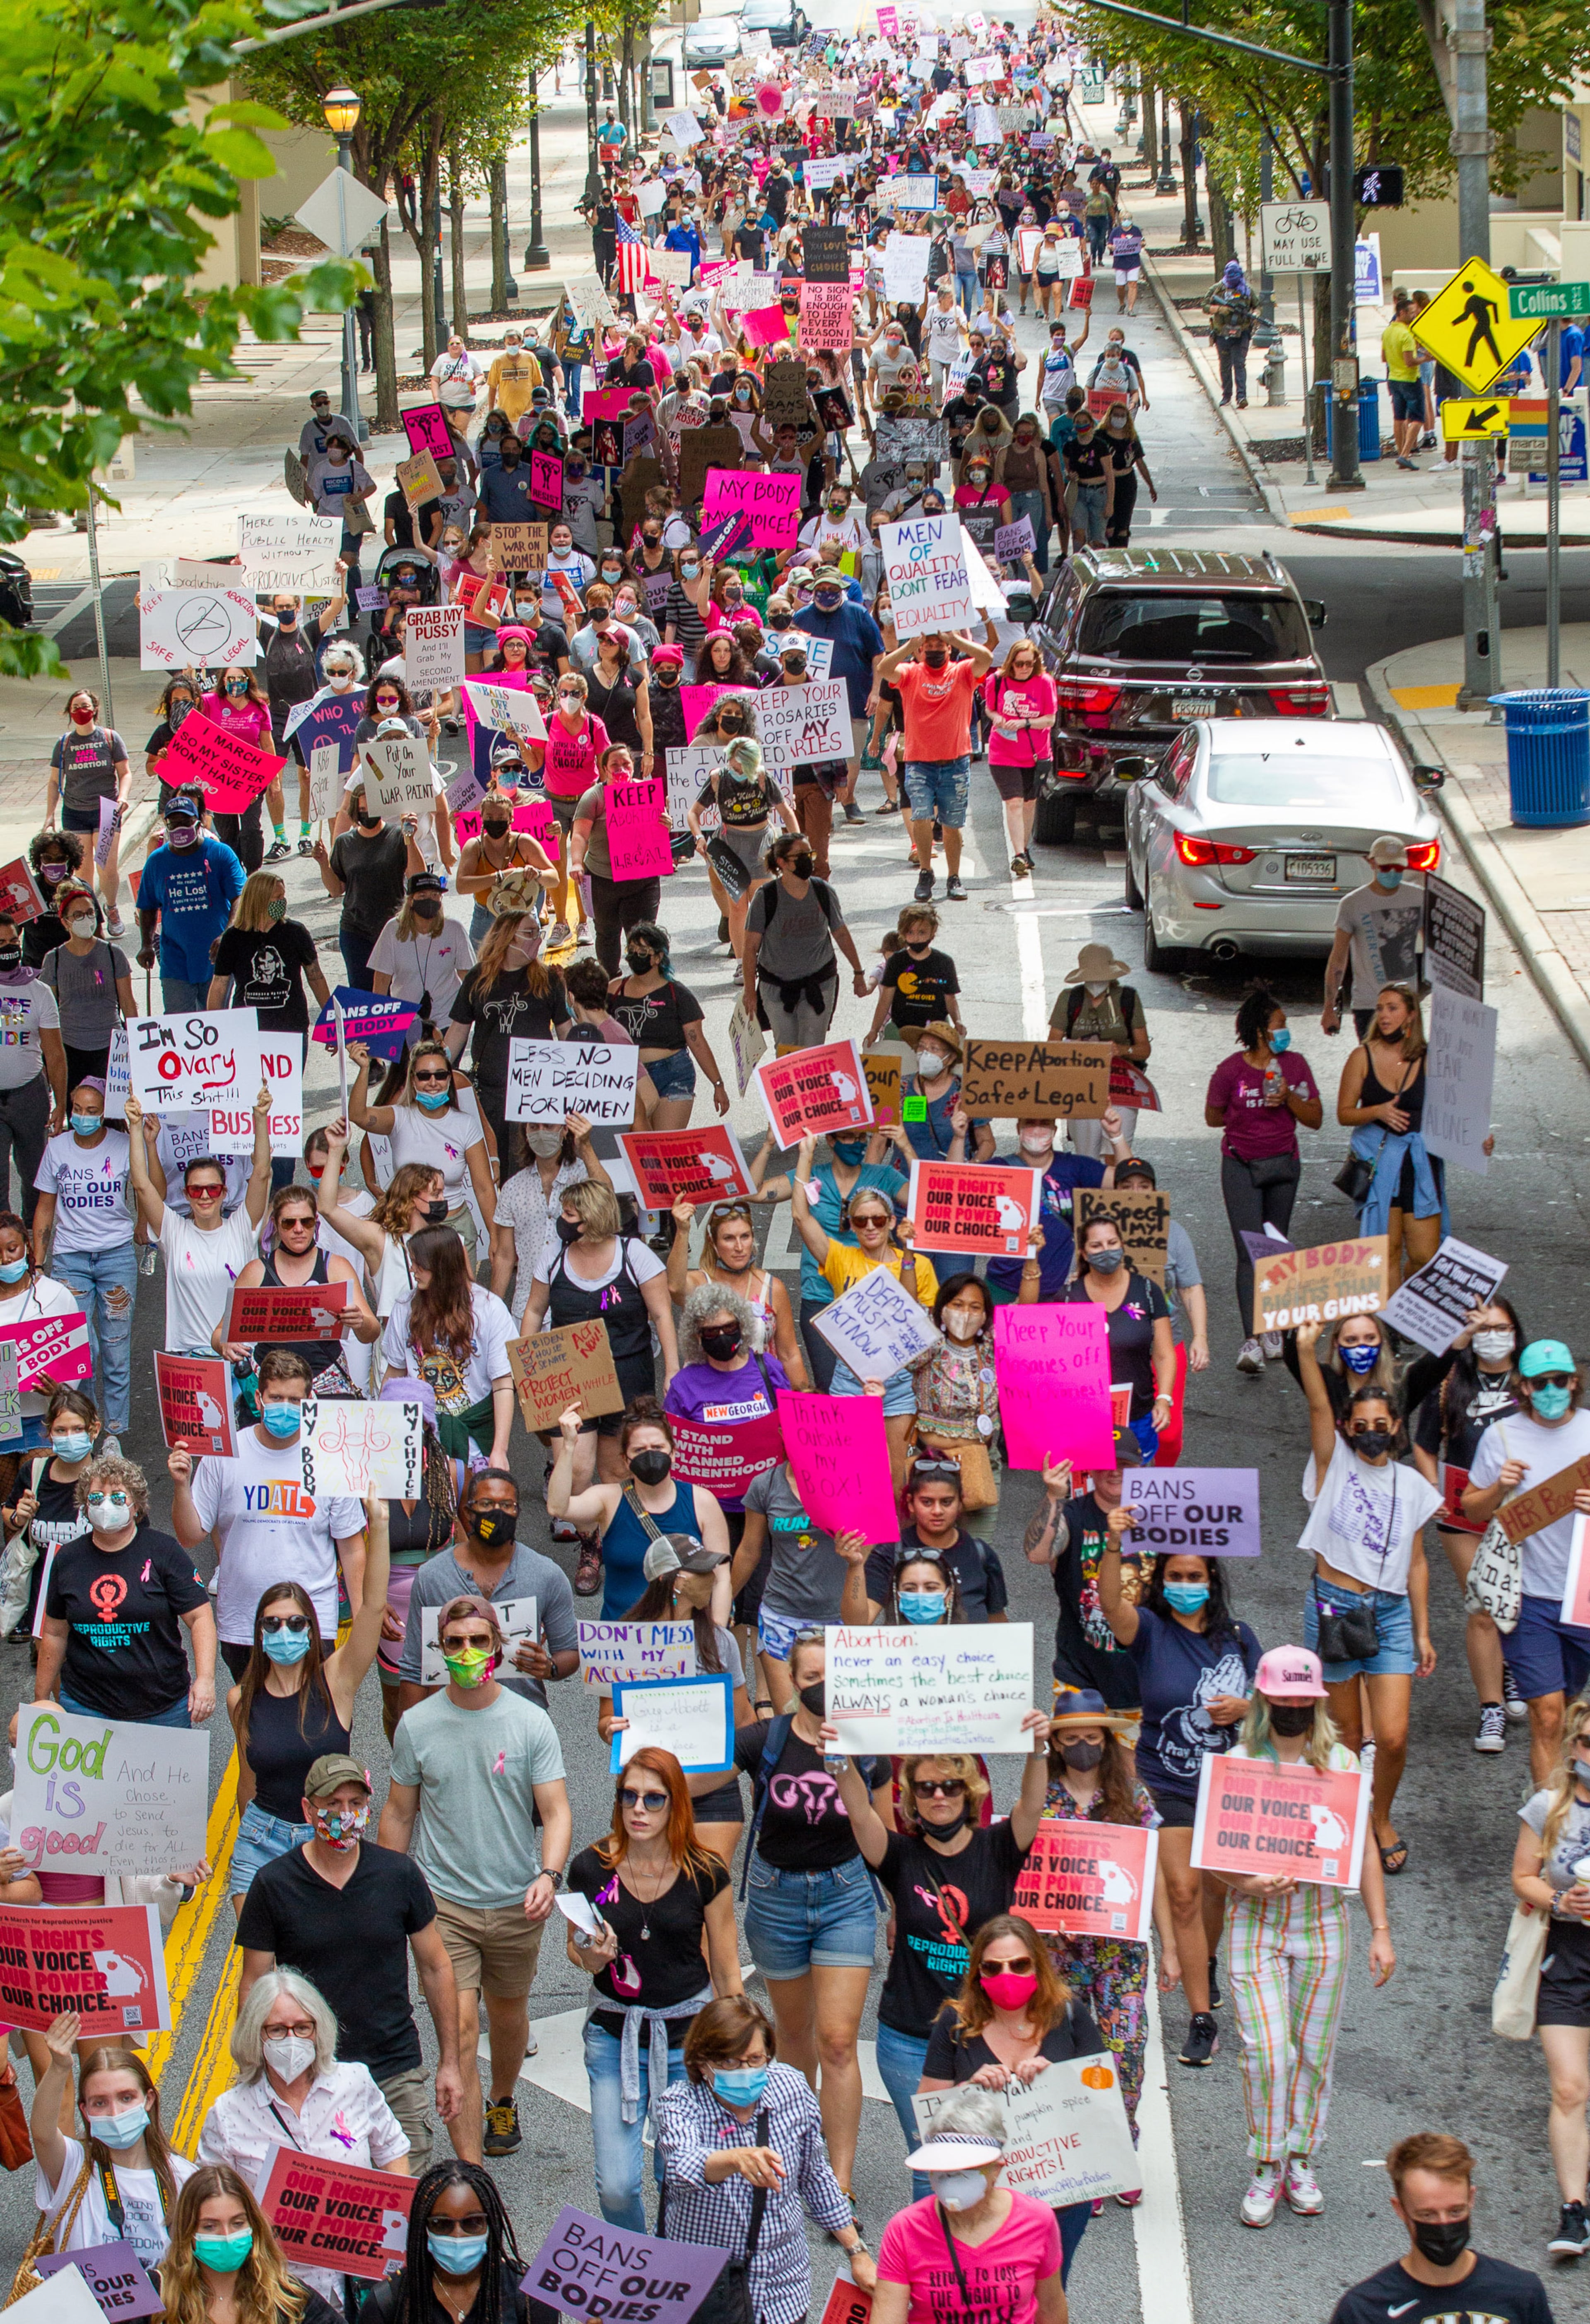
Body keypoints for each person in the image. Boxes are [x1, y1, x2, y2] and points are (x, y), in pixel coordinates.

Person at [381, 1593, 571, 2165]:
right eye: (455, 1643)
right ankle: (472, 2171)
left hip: (517, 1902)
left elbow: (557, 1810)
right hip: (445, 1907)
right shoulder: (416, 1725)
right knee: (460, 2031)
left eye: (478, 1641)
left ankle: (503, 2097)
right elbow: (398, 1812)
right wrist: (389, 1895)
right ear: (441, 1649)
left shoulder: (530, 1721)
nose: (467, 1652)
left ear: (497, 1646)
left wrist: (548, 1873)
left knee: (509, 2014)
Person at [829, 1713, 1053, 2177]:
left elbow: (1032, 1805)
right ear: (911, 1798)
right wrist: (840, 1762)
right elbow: (858, 1813)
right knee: (934, 2169)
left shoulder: (999, 1847)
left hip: (988, 2034)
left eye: (951, 1786)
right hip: (910, 2039)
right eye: (927, 1788)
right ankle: (936, 2252)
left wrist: (1037, 1751)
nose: (938, 1796)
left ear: (969, 1791)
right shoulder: (899, 1857)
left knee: (992, 2164)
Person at [1215, 1646, 1395, 2227]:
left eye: (1302, 1698)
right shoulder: (1240, 1761)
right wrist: (1247, 1879)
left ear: (1316, 1702)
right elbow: (1211, 1856)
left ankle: (1301, 2157)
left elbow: (1363, 1845)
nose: (1293, 1706)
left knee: (1315, 2053)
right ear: (1265, 1699)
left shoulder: (1342, 1762)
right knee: (1268, 2051)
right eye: (1283, 1697)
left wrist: (1382, 1930)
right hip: (1254, 1919)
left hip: (1321, 1920)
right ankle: (1266, 2160)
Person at [236, 1751, 463, 2180]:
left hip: (394, 2068)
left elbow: (436, 1967)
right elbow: (255, 1985)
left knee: (405, 2202)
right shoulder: (273, 1885)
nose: (344, 1814)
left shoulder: (399, 1875)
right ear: (308, 1809)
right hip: (311, 2073)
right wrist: (256, 2070)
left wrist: (450, 2062)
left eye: (354, 1804)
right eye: (332, 1804)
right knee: (330, 2204)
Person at [728, 1628, 889, 2212]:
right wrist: (632, 1742)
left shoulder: (870, 1743)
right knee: (794, 2038)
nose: (821, 1686)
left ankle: (838, 2182)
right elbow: (687, 1771)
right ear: (793, 1682)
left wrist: (897, 1905)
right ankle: (801, 2152)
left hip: (846, 1892)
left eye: (832, 1677)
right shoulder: (764, 1739)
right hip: (776, 1897)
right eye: (811, 1677)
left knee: (840, 2040)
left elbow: (886, 1833)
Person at [1096, 1526, 1261, 2068]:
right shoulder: (1147, 1630)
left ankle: (1204, 1961)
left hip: (1230, 1784)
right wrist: (1115, 1546)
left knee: (1215, 1892)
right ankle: (1201, 2018)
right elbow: (1109, 1602)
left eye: (1195, 1576)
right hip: (1165, 1780)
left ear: (1211, 1581)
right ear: (1161, 1581)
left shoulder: (1239, 1637)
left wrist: (1245, 1709)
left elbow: (1277, 1708)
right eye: (1175, 1577)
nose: (1185, 1585)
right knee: (1184, 1893)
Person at [565, 1746, 741, 2227]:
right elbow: (575, 1948)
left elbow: (726, 1971)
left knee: (679, 2177)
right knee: (618, 2186)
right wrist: (590, 1956)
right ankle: (642, 2268)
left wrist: (743, 2050)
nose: (639, 1809)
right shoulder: (592, 1868)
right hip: (613, 2034)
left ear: (676, 1804)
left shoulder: (706, 1872)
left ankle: (668, 2281)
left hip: (688, 2040)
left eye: (654, 1799)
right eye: (630, 1796)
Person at [1294, 1316, 1442, 1877]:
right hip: (1334, 1606)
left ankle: (1381, 1815)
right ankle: (1347, 1822)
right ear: (1348, 1427)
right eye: (1363, 1424)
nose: (1372, 1431)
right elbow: (1315, 1406)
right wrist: (1307, 1350)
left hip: (1393, 1614)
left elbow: (1421, 1561)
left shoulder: (1413, 1486)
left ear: (1398, 1427)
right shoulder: (1332, 1466)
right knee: (1347, 1735)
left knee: (1396, 1735)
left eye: (1383, 1424)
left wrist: (1424, 1630)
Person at [198, 1969, 410, 2301]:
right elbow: (207, 2201)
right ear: (257, 2034)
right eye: (277, 2030)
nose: (292, 2040)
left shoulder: (355, 2082)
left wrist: (396, 2236)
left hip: (363, 2284)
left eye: (303, 2028)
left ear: (318, 2028)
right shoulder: (227, 2114)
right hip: (277, 2289)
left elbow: (393, 2152)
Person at [918, 1912, 1111, 2269]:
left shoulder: (1068, 2014)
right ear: (978, 1973)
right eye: (993, 1968)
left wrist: (1062, 2078)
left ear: (1038, 1967)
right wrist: (967, 2090)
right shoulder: (956, 2025)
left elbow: (1104, 2098)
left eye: (1020, 1965)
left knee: (1050, 2292)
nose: (1007, 1976)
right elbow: (929, 2119)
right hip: (980, 2196)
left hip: (1060, 2194)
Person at [655, 1994, 875, 2307]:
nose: (745, 2070)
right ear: (703, 2064)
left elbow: (815, 2176)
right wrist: (735, 2159)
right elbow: (680, 2166)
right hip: (704, 2288)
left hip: (781, 2285)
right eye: (730, 2062)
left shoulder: (792, 2089)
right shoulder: (680, 2103)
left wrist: (857, 2252)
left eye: (756, 2059)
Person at [225, 1502, 390, 1912]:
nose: (285, 1632)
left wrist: (381, 1527)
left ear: (313, 1630)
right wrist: (248, 1831)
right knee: (261, 1969)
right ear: (259, 1632)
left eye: (297, 1623)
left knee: (323, 1959)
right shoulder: (240, 1699)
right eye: (273, 1624)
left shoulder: (338, 1680)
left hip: (330, 1835)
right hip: (261, 1840)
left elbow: (371, 1608)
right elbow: (249, 1781)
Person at [171, 1345, 367, 1678]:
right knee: (251, 1720)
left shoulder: (330, 1458)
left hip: (312, 1621)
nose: (285, 1408)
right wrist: (180, 1485)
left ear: (310, 1402)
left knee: (314, 1722)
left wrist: (362, 1618)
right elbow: (190, 1536)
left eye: (295, 1401)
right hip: (243, 1621)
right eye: (276, 1399)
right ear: (259, 1399)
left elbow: (352, 1547)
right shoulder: (225, 1454)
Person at [1035, 1686, 1165, 2154]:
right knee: (1065, 2054)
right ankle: (1082, 2152)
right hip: (1058, 1951)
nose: (1083, 1747)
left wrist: (1167, 1942)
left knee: (1125, 2055)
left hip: (1121, 1953)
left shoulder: (1131, 1796)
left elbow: (1153, 1875)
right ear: (1057, 1744)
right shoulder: (1041, 1796)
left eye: (1092, 1737)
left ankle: (1120, 2142)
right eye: (1071, 1739)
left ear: (1106, 1742)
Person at [1465, 1339, 1590, 1784]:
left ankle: (1575, 1808)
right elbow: (1473, 1509)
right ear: (1525, 1387)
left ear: (1574, 1382)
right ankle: (1548, 1826)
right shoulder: (1503, 1437)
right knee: (1548, 1715)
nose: (1552, 1389)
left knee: (1573, 1708)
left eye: (1560, 1381)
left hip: (1583, 1598)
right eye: (1542, 1383)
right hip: (1529, 1599)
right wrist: (1500, 1486)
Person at [1412, 1296, 1528, 1751]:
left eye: (1502, 1327)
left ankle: (1512, 1668)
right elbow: (1424, 1444)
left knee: (1517, 1601)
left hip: (1521, 1511)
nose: (1494, 1336)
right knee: (1483, 1606)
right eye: (1484, 1328)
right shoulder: (1450, 1383)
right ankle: (1491, 1708)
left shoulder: (1535, 1382)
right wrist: (1432, 1490)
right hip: (1463, 1513)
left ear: (1517, 1333)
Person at [34, 1448, 214, 1727]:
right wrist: (41, 1699)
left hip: (163, 1707)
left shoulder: (164, 1553)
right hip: (86, 1706)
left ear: (137, 1506)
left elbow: (200, 1617)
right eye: (97, 1497)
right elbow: (55, 1633)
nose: (107, 1505)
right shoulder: (67, 1560)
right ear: (85, 1504)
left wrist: (206, 1680)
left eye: (118, 1497)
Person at [791, 1158, 938, 1475]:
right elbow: (801, 1217)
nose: (870, 1227)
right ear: (852, 1226)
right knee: (853, 1473)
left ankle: (897, 1527)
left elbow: (916, 1322)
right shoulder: (840, 1258)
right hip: (850, 1380)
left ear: (891, 1222)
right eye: (861, 1221)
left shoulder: (920, 1266)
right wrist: (805, 1154)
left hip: (901, 1383)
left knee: (900, 1476)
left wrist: (909, 1253)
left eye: (878, 1219)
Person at [874, 2088, 1067, 2324]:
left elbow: (1050, 2308)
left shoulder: (1038, 2220)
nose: (951, 2178)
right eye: (942, 2167)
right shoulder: (905, 2230)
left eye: (966, 2168)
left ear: (997, 2169)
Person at [1206, 988, 1324, 1372]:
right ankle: (1251, 1340)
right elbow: (1213, 1117)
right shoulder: (1230, 1071)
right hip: (1240, 1166)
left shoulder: (1296, 1066)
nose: (1285, 1031)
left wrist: (1288, 1098)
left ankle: (1273, 1329)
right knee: (1248, 1252)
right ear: (1260, 1032)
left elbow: (1316, 1118)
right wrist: (1242, 1118)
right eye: (1280, 1025)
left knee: (1274, 1249)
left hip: (1282, 1167)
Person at [1330, 2131, 1556, 2324]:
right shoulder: (1364, 2310)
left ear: (1471, 2199)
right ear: (1399, 2209)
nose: (1444, 2226)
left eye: (1456, 2211)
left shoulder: (1521, 2291)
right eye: (1427, 2215)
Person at [30, 2013, 197, 2270]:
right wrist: (60, 2067)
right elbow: (42, 2134)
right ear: (85, 2112)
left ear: (149, 2100)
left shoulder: (184, 2177)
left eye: (127, 2098)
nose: (115, 2112)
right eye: (100, 2103)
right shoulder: (74, 2166)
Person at [546, 1399, 730, 1620]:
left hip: (683, 1638)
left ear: (673, 1453)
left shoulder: (702, 1502)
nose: (650, 1455)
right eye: (640, 1450)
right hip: (624, 1638)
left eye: (658, 1448)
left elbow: (721, 1579)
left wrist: (717, 1637)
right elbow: (558, 1506)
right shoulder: (609, 1499)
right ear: (625, 1460)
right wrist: (568, 1446)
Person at [123, 1085, 271, 1357]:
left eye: (213, 1189)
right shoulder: (173, 1231)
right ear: (186, 1194)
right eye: (196, 1190)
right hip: (187, 1359)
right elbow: (143, 1185)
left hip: (241, 1354)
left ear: (225, 1193)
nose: (205, 1196)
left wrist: (260, 1118)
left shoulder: (242, 1227)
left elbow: (261, 1173)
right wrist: (136, 1128)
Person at [31, 1075, 136, 1444]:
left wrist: (145, 1137)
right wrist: (39, 1265)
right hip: (70, 1260)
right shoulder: (57, 1149)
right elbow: (45, 1209)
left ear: (104, 1113)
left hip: (116, 1256)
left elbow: (146, 1184)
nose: (84, 1117)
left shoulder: (124, 1144)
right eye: (77, 1110)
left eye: (92, 1111)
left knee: (116, 1349)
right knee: (82, 1349)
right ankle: (86, 1423)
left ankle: (115, 1433)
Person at [1337, 983, 1453, 1292]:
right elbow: (1344, 1113)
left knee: (1424, 1255)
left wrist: (1478, 1142)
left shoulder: (1429, 1058)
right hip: (1382, 1164)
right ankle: (1390, 1328)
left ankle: (1406, 1303)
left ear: (1411, 1016)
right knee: (1386, 1252)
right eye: (1380, 1009)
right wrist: (1377, 1111)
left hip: (1420, 1163)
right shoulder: (1362, 1056)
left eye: (1393, 1009)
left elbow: (1453, 1112)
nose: (1384, 1016)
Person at [217, 1182, 381, 1395]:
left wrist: (360, 1322)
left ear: (316, 1223)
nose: (299, 1229)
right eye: (289, 1223)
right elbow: (221, 1331)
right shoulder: (256, 1271)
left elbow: (372, 1331)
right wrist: (225, 1344)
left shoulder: (336, 1267)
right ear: (275, 1224)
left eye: (307, 1222)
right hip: (271, 1387)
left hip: (324, 1381)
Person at [877, 627, 995, 905]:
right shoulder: (910, 674)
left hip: (955, 762)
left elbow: (987, 658)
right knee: (921, 817)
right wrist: (910, 646)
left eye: (939, 645)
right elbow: (884, 668)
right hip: (919, 762)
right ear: (920, 650)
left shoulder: (963, 672)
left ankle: (953, 877)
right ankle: (926, 872)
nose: (934, 649)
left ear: (949, 649)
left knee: (952, 825)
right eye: (928, 645)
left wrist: (954, 638)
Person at [445, 907, 571, 1168]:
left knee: (530, 1163)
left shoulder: (547, 978)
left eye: (539, 933)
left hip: (535, 1088)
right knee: (493, 1161)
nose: (537, 939)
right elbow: (459, 1029)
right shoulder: (478, 977)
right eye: (530, 933)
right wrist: (440, 1065)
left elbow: (565, 1031)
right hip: (491, 1090)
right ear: (509, 938)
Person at [349, 1039, 498, 1260]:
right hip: (407, 1226)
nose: (433, 1082)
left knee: (458, 1295)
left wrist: (496, 1239)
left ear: (450, 1079)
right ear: (413, 1080)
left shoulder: (465, 1124)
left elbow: (485, 1188)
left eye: (440, 1075)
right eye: (424, 1076)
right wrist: (364, 1070)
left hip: (455, 1227)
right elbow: (358, 1115)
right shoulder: (398, 1118)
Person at [381, 1226, 516, 1466]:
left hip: (475, 1437)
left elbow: (503, 1383)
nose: (413, 1270)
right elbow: (394, 1375)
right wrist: (381, 1432)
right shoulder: (404, 1307)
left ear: (442, 1266)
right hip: (420, 1438)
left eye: (419, 1264)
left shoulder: (490, 1309)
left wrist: (501, 1450)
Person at [158, 2161, 344, 2324]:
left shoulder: (289, 2298)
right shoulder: (158, 2293)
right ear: (188, 2232)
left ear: (253, 2225)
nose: (227, 2235)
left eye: (237, 2223)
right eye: (210, 2226)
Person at [742, 830, 870, 1053]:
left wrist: (859, 972)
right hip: (776, 987)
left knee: (813, 1052)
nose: (808, 860)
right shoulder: (767, 897)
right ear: (782, 862)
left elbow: (841, 933)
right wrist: (750, 992)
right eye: (800, 855)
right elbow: (750, 948)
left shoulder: (823, 891)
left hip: (820, 983)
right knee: (787, 1051)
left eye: (809, 854)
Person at [1063, 1212, 1176, 1461]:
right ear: (1084, 1253)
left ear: (1122, 1245)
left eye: (1112, 1243)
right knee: (1087, 1495)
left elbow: (1164, 1353)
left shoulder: (1147, 1290)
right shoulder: (1069, 1297)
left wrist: (1165, 1399)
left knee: (1135, 1495)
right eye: (1097, 1246)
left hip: (1139, 1417)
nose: (1106, 1250)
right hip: (1084, 1417)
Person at [666, 1197, 808, 1388]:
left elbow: (789, 1354)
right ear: (713, 1242)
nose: (739, 1247)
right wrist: (683, 1231)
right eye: (729, 1239)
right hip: (708, 1391)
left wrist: (806, 1402)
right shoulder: (700, 1283)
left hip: (759, 1391)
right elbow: (675, 1287)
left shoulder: (772, 1287)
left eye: (745, 1237)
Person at [606, 922, 728, 1131]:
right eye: (632, 950)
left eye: (642, 951)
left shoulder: (677, 995)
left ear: (658, 958)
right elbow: (594, 1021)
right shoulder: (615, 990)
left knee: (664, 1146)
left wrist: (718, 1084)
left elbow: (696, 1041)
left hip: (673, 1074)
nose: (636, 955)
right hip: (629, 1077)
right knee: (641, 1150)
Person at [1051, 941, 1153, 1159]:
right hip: (1081, 1085)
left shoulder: (1127, 998)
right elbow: (1052, 1047)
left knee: (1117, 1151)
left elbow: (1144, 1049)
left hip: (1121, 1083)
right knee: (1086, 1155)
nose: (1096, 983)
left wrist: (1122, 1050)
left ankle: (1112, 1190)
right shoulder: (1069, 999)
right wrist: (1074, 1048)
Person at [1321, 837, 1426, 1039]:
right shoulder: (1353, 904)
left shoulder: (1418, 898)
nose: (1393, 872)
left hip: (1407, 1006)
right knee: (1372, 1067)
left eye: (1398, 867)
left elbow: (1436, 951)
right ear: (1372, 863)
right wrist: (1329, 1008)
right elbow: (1338, 959)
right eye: (1386, 867)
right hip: (1370, 1006)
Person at [46, 689, 131, 933]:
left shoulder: (110, 738)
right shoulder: (64, 744)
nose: (80, 712)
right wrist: (50, 815)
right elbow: (54, 782)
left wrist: (123, 797)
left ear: (94, 709)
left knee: (107, 867)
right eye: (74, 708)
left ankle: (112, 908)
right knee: (83, 871)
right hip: (74, 811)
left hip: (106, 812)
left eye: (84, 706)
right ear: (69, 713)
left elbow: (125, 773)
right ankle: (91, 917)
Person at [37, 882, 133, 1088]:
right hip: (71, 1049)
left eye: (90, 913)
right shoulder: (53, 960)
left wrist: (138, 1041)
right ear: (66, 922)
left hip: (111, 1048)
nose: (86, 919)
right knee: (78, 1115)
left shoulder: (113, 954)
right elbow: (47, 1012)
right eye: (78, 915)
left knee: (114, 1116)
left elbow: (128, 1002)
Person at [981, 639, 1057, 878]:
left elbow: (1050, 720)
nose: (1024, 668)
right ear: (1011, 663)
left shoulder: (1045, 683)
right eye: (1019, 664)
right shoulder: (996, 681)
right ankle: (1018, 855)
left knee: (1029, 803)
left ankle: (1023, 850)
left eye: (1029, 664)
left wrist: (1025, 722)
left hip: (1036, 753)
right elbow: (990, 708)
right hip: (1003, 752)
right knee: (1013, 802)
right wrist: (996, 718)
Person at [1206, 259, 1258, 406]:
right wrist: (1220, 309)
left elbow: (1257, 306)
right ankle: (1227, 395)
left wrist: (1254, 314)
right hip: (1222, 333)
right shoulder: (1218, 290)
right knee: (1225, 365)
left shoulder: (1246, 291)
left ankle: (1241, 397)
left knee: (1240, 364)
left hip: (1242, 334)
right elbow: (1205, 306)